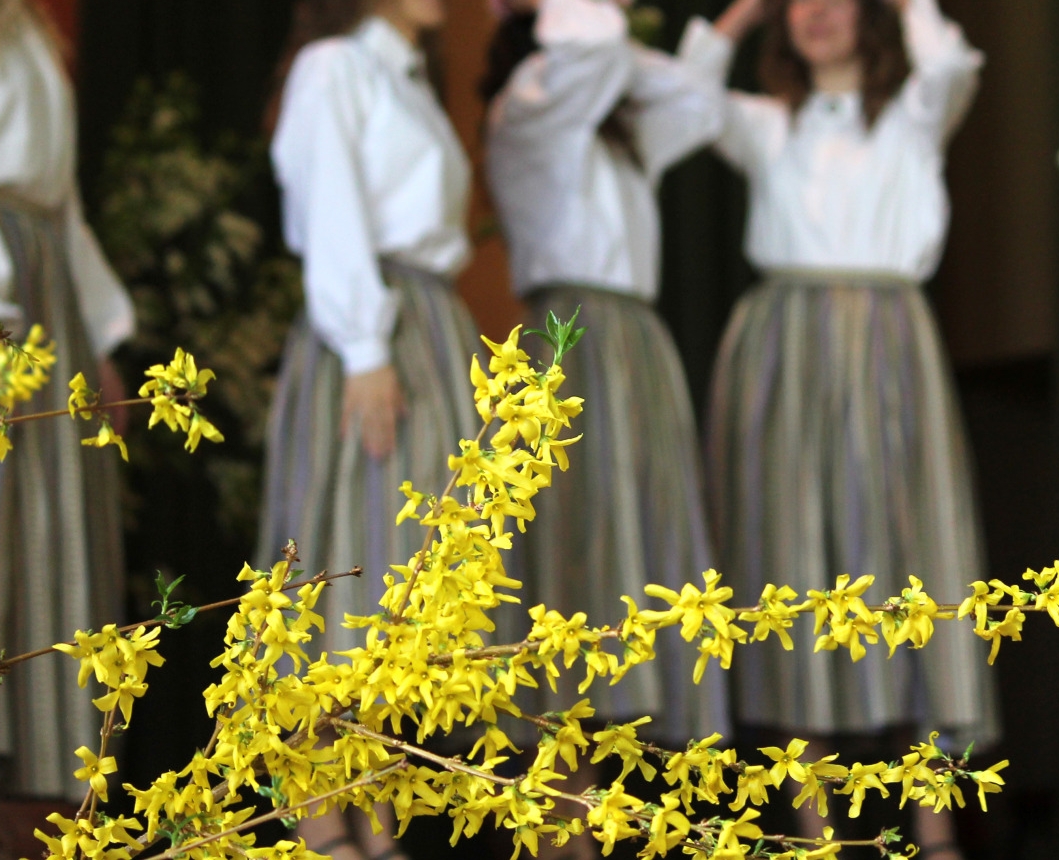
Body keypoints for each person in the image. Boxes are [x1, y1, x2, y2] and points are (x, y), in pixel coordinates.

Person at [679, 0, 996, 853]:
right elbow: (685, 99)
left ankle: (935, 830)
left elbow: (951, 69)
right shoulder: (766, 124)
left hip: (888, 341)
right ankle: (816, 831)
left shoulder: (911, 119)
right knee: (790, 559)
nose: (816, 13)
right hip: (782, 351)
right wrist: (736, 18)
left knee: (910, 556)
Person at [481, 0, 731, 816]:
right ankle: (560, 825)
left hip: (633, 346)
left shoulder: (610, 124)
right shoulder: (530, 96)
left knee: (629, 565)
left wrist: (727, 28)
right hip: (569, 339)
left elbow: (697, 102)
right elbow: (595, 43)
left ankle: (593, 815)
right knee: (569, 572)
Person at [258, 0, 479, 855]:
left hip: (422, 323)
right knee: (340, 559)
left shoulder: (405, 75)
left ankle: (375, 816)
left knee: (396, 576)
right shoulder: (336, 66)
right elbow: (333, 203)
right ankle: (323, 825)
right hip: (373, 328)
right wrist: (361, 347)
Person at [0, 0, 133, 810]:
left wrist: (102, 336)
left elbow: (63, 203)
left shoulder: (23, 29)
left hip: (40, 289)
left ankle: (25, 795)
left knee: (45, 541)